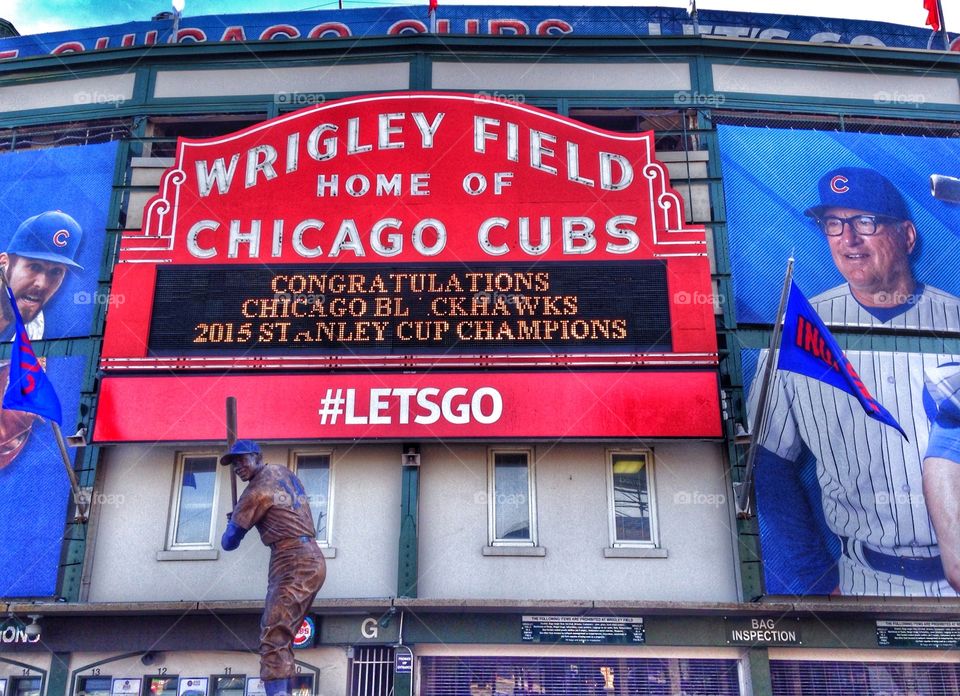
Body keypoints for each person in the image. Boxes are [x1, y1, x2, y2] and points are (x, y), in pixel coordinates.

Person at [752, 166, 960, 596]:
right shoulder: (797, 329)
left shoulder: (955, 318)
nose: (848, 239)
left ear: (907, 236)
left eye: (865, 222)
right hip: (864, 579)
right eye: (834, 224)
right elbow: (767, 463)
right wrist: (816, 577)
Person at [220, 440, 326, 696]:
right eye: (234, 463)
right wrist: (243, 516)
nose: (238, 467)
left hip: (293, 561)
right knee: (281, 635)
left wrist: (234, 521)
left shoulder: (255, 490)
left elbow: (229, 543)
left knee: (273, 635)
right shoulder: (282, 472)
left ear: (257, 457)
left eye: (242, 460)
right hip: (309, 557)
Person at [0, 210, 84, 340]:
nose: (43, 284)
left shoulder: (34, 327)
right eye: (34, 267)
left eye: (56, 272)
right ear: (3, 263)